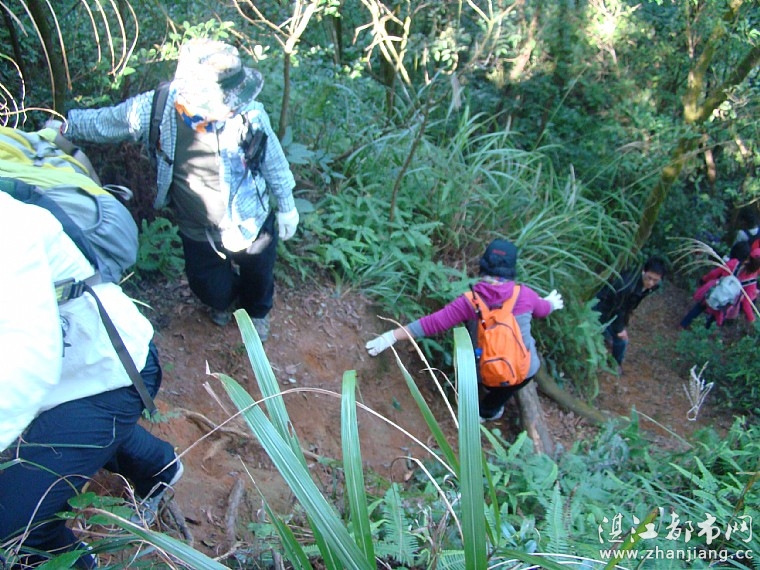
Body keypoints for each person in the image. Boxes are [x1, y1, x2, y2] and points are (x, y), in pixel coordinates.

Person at [60, 39, 299, 339]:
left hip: (250, 217)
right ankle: (225, 302)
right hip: (194, 222)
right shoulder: (158, 109)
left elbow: (273, 161)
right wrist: (65, 127)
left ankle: (256, 313)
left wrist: (287, 205)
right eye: (224, 102)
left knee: (259, 275)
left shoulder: (250, 115)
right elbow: (108, 122)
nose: (233, 107)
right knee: (207, 285)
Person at [0, 192, 182, 569]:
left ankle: (66, 557)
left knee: (10, 524)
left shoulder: (9, 228)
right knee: (68, 430)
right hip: (75, 372)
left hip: (112, 370)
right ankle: (159, 466)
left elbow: (28, 360)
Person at [365, 239, 564, 421]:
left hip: (485, 369)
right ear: (512, 269)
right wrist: (552, 303)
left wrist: (392, 336)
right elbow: (543, 310)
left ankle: (484, 390)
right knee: (498, 397)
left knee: (486, 376)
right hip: (524, 369)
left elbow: (433, 323)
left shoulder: (470, 301)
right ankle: (486, 414)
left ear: (483, 264)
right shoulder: (525, 295)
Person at [594, 256, 667, 374]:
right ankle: (614, 364)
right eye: (649, 278)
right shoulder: (628, 285)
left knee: (615, 334)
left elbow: (630, 303)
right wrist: (620, 329)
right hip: (603, 307)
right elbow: (618, 308)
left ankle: (608, 342)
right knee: (621, 340)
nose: (651, 283)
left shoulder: (653, 286)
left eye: (655, 280)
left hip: (616, 309)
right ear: (643, 271)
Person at [680, 245, 760, 329]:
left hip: (716, 289)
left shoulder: (734, 263)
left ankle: (683, 325)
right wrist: (752, 319)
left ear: (749, 256)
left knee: (700, 307)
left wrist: (704, 279)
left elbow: (715, 273)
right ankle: (703, 332)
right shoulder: (751, 283)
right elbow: (746, 303)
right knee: (714, 318)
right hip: (725, 302)